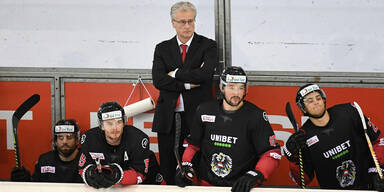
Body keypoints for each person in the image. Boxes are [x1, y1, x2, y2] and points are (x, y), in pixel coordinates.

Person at [175, 66, 281, 192]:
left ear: (246, 90)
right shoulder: (204, 110)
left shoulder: (256, 115)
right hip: (207, 185)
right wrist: (186, 166)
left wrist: (256, 174)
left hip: (241, 187)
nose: (236, 93)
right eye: (231, 87)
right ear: (222, 87)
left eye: (240, 88)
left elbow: (271, 153)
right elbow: (193, 145)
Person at [151, 1, 218, 185]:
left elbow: (205, 76)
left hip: (198, 115)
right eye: (182, 22)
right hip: (168, 117)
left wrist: (176, 73)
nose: (187, 26)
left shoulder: (208, 46)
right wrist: (188, 84)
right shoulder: (162, 48)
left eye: (191, 21)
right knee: (167, 161)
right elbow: (159, 80)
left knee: (198, 161)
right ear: (173, 23)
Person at [283, 83, 384, 190]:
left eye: (318, 98)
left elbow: (378, 140)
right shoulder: (303, 137)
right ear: (302, 107)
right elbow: (302, 180)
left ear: (324, 99)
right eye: (310, 101)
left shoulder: (349, 112)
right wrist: (293, 159)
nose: (316, 102)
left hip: (367, 187)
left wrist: (377, 170)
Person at [78, 101, 163, 189]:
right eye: (109, 123)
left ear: (124, 122)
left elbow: (140, 174)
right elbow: (82, 169)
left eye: (119, 122)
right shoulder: (89, 138)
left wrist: (117, 176)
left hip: (138, 187)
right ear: (101, 125)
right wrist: (90, 175)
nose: (115, 128)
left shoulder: (138, 139)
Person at [10, 119, 83, 183]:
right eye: (60, 137)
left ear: (77, 140)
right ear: (55, 141)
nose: (64, 141)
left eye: (69, 137)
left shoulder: (86, 160)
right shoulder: (44, 160)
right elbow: (35, 187)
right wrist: (26, 181)